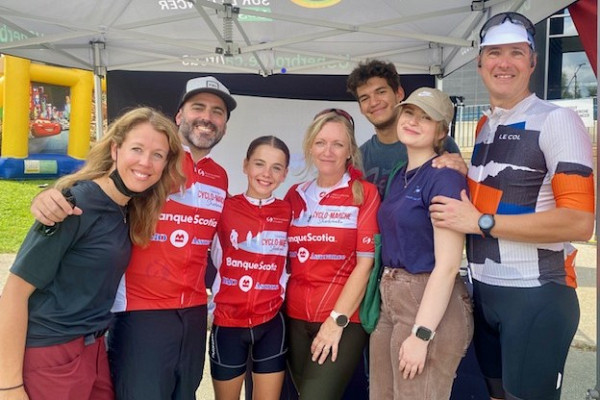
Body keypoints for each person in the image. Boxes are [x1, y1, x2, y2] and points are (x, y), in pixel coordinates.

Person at [30, 76, 237, 400]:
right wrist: (52, 195)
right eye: (198, 107)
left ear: (224, 124)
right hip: (140, 311)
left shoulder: (220, 176)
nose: (207, 117)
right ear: (179, 115)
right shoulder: (152, 164)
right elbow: (98, 184)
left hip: (194, 312)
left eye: (217, 112)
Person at [429, 12, 595, 400]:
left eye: (516, 53)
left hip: (536, 295)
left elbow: (578, 222)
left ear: (533, 62)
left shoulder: (558, 120)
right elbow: (514, 189)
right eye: (494, 53)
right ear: (480, 63)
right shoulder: (487, 125)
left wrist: (481, 221)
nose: (504, 63)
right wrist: (464, 169)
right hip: (487, 295)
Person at [0, 107, 185, 400]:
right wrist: (8, 386)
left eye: (158, 155)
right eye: (137, 149)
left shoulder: (128, 208)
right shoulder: (74, 204)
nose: (145, 162)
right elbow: (14, 293)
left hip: (94, 351)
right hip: (52, 353)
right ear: (115, 149)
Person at [370, 88, 473, 399]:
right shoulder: (401, 173)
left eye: (426, 118)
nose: (413, 121)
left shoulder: (444, 177)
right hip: (392, 302)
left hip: (427, 303)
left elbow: (448, 264)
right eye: (409, 113)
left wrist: (423, 334)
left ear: (441, 131)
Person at [284, 109, 380, 400]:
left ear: (350, 150)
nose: (328, 151)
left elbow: (366, 265)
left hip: (344, 319)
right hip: (295, 317)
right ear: (310, 146)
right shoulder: (294, 194)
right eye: (321, 142)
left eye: (338, 144)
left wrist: (335, 321)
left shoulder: (364, 193)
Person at [209, 135, 292, 400]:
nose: (266, 174)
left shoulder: (289, 212)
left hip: (271, 321)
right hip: (227, 322)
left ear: (284, 174)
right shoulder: (223, 208)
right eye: (259, 164)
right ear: (245, 165)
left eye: (276, 168)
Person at [346, 59, 462, 198]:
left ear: (399, 94)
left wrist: (462, 171)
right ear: (360, 108)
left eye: (381, 92)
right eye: (365, 98)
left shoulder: (440, 144)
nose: (374, 102)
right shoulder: (360, 158)